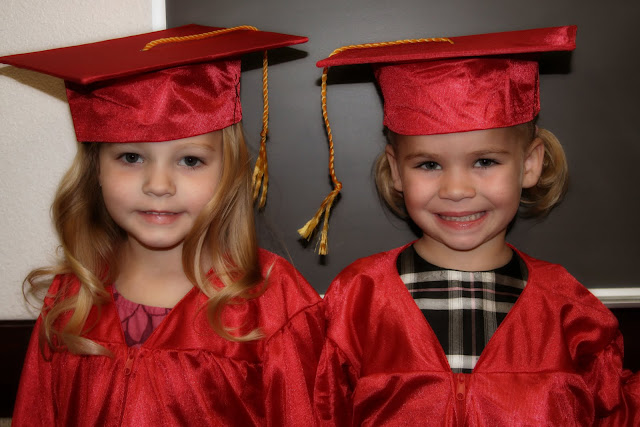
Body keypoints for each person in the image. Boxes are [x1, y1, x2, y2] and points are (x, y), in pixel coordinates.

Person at [309, 26, 640, 425]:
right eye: (428, 164)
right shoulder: (357, 299)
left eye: (485, 161)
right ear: (396, 171)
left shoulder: (570, 311)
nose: (456, 190)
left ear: (530, 164)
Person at [2, 24, 324, 426]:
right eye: (131, 157)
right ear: (95, 170)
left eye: (190, 160)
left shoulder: (274, 302)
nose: (158, 185)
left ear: (228, 173)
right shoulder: (71, 297)